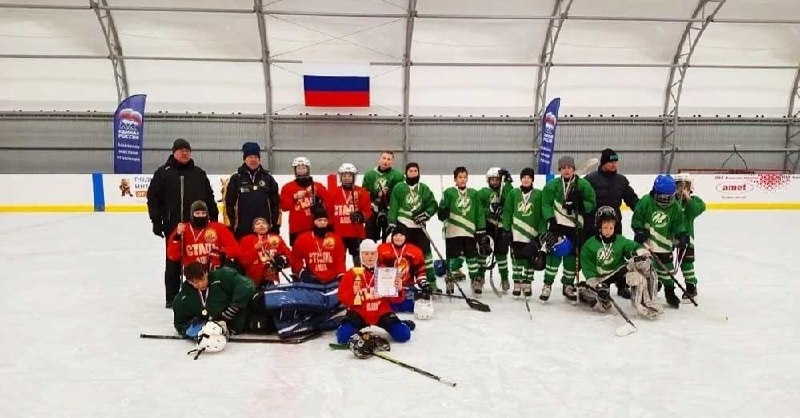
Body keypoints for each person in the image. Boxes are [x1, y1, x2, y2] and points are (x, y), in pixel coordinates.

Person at [147, 138, 218, 308]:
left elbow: (209, 198)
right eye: (181, 150)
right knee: (173, 261)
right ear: (174, 153)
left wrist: (214, 220)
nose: (184, 153)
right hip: (174, 226)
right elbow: (153, 199)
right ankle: (172, 297)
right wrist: (156, 221)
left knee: (199, 259)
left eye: (187, 150)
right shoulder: (163, 173)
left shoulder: (199, 173)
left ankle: (199, 290)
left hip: (199, 226)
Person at [578, 206, 662, 319]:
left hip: (617, 273)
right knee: (603, 306)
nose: (608, 231)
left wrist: (642, 253)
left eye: (611, 228)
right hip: (600, 279)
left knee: (638, 268)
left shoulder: (620, 240)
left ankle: (644, 303)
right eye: (605, 228)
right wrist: (596, 285)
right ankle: (585, 292)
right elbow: (588, 270)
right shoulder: (589, 245)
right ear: (599, 228)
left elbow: (634, 246)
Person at [540, 155, 596, 303]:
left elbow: (592, 202)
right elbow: (546, 203)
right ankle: (547, 284)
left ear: (573, 169)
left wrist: (580, 204)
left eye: (569, 167)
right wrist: (551, 219)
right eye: (563, 168)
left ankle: (568, 285)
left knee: (572, 258)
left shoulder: (583, 185)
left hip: (575, 227)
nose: (566, 170)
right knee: (554, 256)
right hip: (557, 226)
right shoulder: (552, 185)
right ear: (559, 169)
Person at [335, 239, 412, 345]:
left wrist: (398, 290)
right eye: (366, 254)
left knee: (404, 335)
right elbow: (343, 298)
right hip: (359, 313)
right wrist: (354, 293)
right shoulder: (351, 274)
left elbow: (396, 301)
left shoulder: (385, 272)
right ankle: (344, 325)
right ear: (361, 255)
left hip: (381, 312)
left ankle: (402, 323)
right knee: (343, 337)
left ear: (376, 255)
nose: (370, 257)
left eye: (372, 253)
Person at [631, 174, 688, 308]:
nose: (665, 201)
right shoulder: (646, 201)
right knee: (645, 269)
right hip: (646, 244)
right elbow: (637, 218)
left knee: (667, 271)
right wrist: (639, 230)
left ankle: (669, 292)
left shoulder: (675, 207)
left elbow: (678, 224)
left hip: (665, 245)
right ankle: (644, 291)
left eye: (668, 197)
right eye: (662, 197)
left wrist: (681, 234)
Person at [438, 167, 490, 296]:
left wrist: (481, 229)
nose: (462, 179)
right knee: (452, 256)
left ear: (467, 178)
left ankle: (475, 279)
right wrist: (442, 210)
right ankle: (450, 279)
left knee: (471, 256)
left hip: (469, 232)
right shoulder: (448, 193)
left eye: (464, 177)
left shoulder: (473, 193)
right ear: (455, 179)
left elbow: (479, 211)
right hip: (453, 231)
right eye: (460, 177)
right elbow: (441, 215)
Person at [387, 162, 438, 290]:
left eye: (415, 171)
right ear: (406, 173)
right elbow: (393, 206)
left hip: (419, 228)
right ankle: (404, 282)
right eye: (411, 171)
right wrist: (392, 224)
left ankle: (430, 282)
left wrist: (426, 214)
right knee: (404, 255)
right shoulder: (399, 187)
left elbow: (433, 204)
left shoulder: (424, 189)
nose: (413, 173)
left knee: (426, 254)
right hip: (403, 227)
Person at [172, 261, 256, 337]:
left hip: (244, 317)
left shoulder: (222, 276)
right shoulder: (183, 298)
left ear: (206, 273)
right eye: (196, 282)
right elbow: (180, 324)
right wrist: (198, 329)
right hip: (215, 329)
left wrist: (232, 309)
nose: (201, 284)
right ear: (189, 282)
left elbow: (246, 285)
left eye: (202, 279)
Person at [502, 168, 546, 299]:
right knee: (517, 259)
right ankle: (517, 283)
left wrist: (541, 232)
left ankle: (527, 283)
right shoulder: (513, 193)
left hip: (532, 233)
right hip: (516, 233)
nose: (526, 179)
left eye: (529, 177)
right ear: (521, 179)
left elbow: (542, 215)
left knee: (529, 260)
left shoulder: (539, 194)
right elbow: (507, 212)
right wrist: (506, 229)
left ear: (532, 179)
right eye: (524, 177)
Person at [225, 141, 280, 240]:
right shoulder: (236, 178)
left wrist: (275, 225)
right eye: (250, 157)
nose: (253, 160)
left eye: (256, 157)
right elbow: (229, 204)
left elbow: (276, 204)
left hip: (264, 229)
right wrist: (232, 225)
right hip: (242, 230)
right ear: (244, 159)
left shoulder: (268, 178)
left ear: (259, 159)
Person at [167, 200, 240, 271]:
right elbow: (173, 256)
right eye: (197, 213)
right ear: (192, 215)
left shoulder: (217, 228)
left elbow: (235, 249)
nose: (200, 216)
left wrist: (221, 253)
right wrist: (177, 236)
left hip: (215, 271)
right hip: (194, 273)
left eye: (203, 213)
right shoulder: (183, 229)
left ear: (207, 214)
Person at [584, 149, 639, 237]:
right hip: (593, 226)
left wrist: (643, 210)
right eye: (611, 162)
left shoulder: (621, 181)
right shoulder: (590, 179)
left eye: (615, 162)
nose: (614, 165)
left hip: (614, 226)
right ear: (603, 163)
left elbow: (632, 200)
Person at [376, 223, 429, 312]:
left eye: (401, 235)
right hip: (389, 287)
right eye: (396, 235)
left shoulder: (414, 251)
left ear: (405, 237)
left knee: (409, 308)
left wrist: (423, 283)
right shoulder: (382, 249)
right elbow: (379, 268)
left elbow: (420, 269)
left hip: (407, 287)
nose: (398, 237)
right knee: (388, 308)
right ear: (392, 236)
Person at [478, 167, 515, 292]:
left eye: (497, 180)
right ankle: (480, 277)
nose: (494, 182)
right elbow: (478, 208)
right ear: (488, 180)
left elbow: (511, 199)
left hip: (501, 226)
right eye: (492, 179)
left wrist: (508, 182)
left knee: (501, 254)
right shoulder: (483, 192)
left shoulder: (505, 191)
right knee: (483, 251)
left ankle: (504, 278)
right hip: (487, 226)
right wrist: (489, 210)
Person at [280, 156, 329, 246]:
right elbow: (284, 207)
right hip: (296, 228)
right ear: (295, 170)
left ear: (308, 169)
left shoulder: (318, 186)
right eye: (299, 168)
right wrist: (294, 197)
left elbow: (328, 204)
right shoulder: (287, 187)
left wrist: (318, 194)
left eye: (303, 168)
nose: (301, 170)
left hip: (315, 227)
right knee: (297, 252)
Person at [329, 163, 372, 266]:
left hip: (356, 233)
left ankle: (359, 276)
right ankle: (339, 276)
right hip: (338, 233)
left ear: (354, 177)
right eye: (344, 175)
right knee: (338, 261)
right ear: (341, 177)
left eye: (349, 175)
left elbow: (368, 211)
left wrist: (361, 216)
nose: (347, 178)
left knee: (359, 262)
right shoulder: (333, 192)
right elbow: (329, 212)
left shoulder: (362, 192)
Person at [290, 206, 346, 284]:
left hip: (332, 281)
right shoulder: (303, 239)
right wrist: (302, 272)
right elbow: (295, 259)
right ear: (314, 221)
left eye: (325, 220)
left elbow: (340, 261)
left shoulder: (335, 239)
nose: (322, 223)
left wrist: (341, 275)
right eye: (319, 220)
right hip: (312, 280)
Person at [674, 172, 705, 302]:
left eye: (685, 185)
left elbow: (696, 210)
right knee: (664, 260)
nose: (681, 188)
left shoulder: (694, 201)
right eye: (678, 185)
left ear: (690, 187)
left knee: (686, 263)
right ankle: (659, 283)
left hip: (686, 237)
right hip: (669, 236)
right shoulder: (670, 201)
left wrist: (688, 198)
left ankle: (691, 287)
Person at [362, 151, 405, 242]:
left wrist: (388, 193)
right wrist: (377, 194)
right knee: (369, 238)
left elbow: (401, 194)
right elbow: (364, 194)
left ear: (392, 162)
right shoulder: (369, 175)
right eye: (384, 158)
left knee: (389, 239)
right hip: (373, 209)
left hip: (390, 211)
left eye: (389, 159)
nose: (386, 161)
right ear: (379, 159)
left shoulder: (398, 176)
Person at [238, 217, 292, 288]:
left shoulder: (276, 238)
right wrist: (255, 248)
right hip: (253, 282)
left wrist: (284, 260)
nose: (261, 225)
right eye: (257, 224)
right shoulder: (246, 240)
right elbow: (243, 261)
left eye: (264, 223)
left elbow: (290, 256)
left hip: (272, 281)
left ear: (268, 227)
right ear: (253, 229)